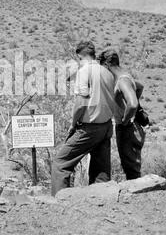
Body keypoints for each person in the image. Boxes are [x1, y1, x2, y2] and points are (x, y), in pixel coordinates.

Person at [51, 41, 116, 196]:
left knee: (60, 164)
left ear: (80, 56)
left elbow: (81, 103)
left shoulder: (84, 71)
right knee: (101, 169)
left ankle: (59, 202)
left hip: (89, 128)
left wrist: (73, 125)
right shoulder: (107, 73)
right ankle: (101, 201)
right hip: (106, 126)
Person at [98, 49, 146, 180]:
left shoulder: (121, 80)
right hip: (132, 127)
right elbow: (140, 86)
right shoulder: (125, 76)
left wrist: (125, 120)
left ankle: (137, 197)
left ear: (107, 65)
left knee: (131, 169)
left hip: (128, 129)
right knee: (131, 166)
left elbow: (132, 104)